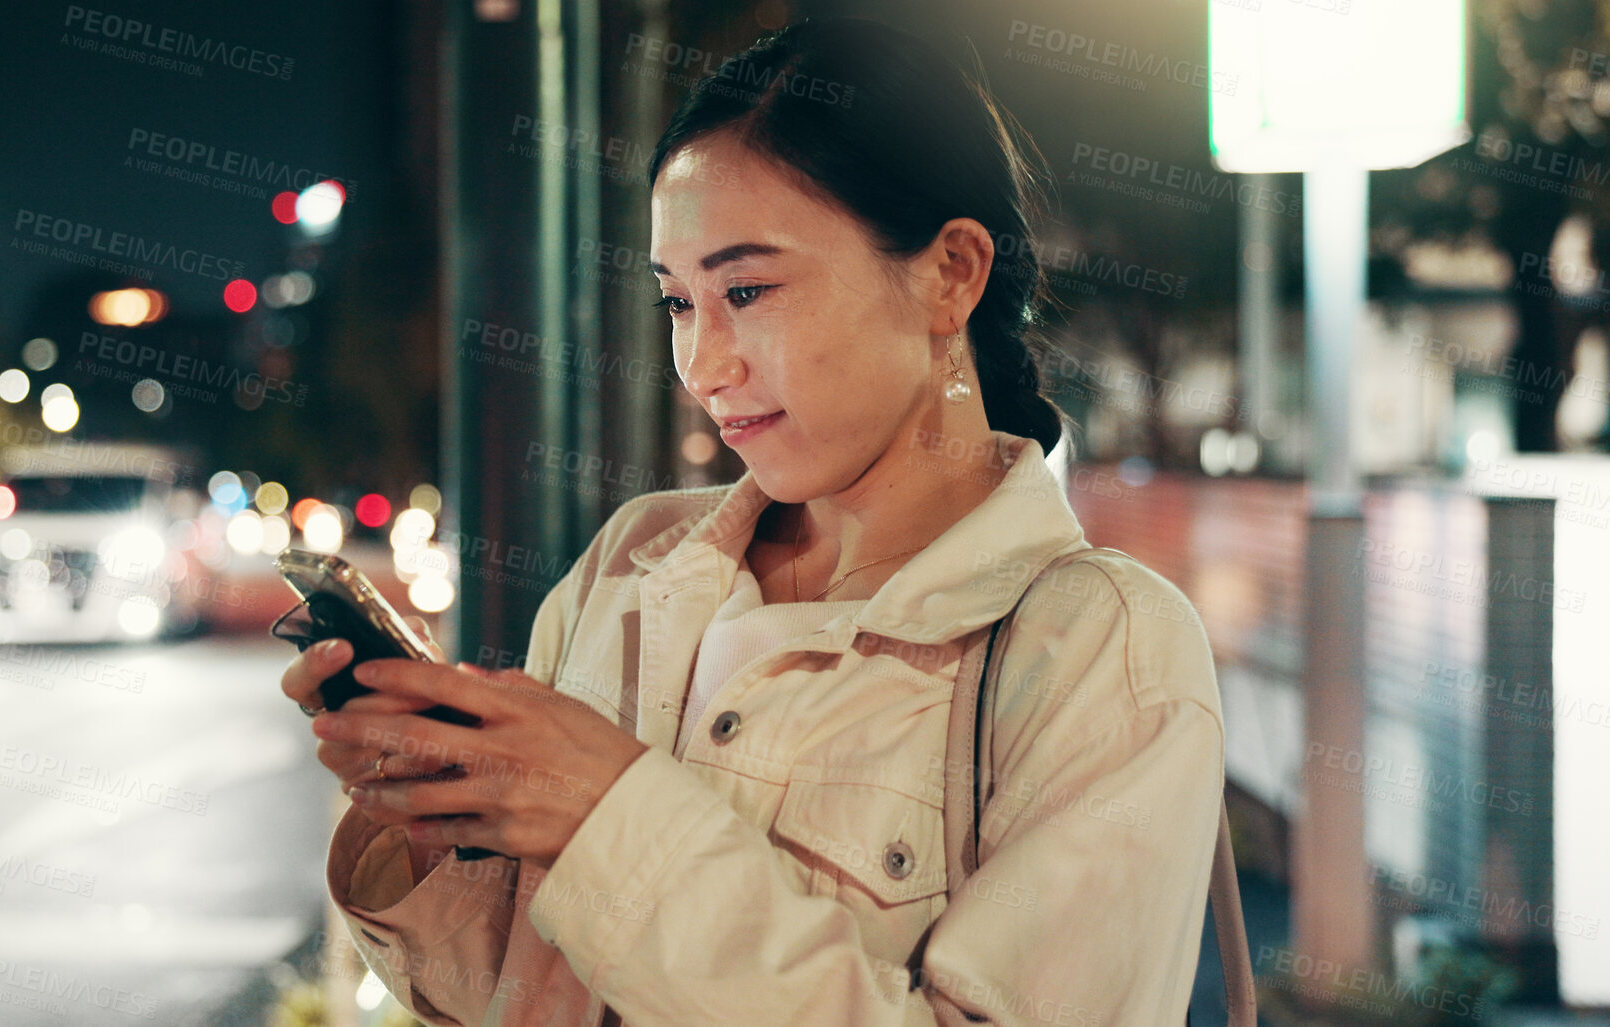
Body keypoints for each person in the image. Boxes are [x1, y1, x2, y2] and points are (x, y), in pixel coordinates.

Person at [282, 16, 1224, 1026]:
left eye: (746, 289)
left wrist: (609, 816)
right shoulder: (632, 565)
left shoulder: (1102, 649)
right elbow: (513, 995)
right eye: (678, 302)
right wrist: (434, 822)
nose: (702, 365)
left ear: (951, 272)